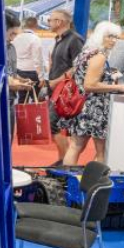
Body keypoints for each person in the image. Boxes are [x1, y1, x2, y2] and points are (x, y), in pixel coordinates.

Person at [63, 21, 124, 165]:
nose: (113, 40)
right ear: (100, 36)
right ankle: (97, 182)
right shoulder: (99, 56)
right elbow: (90, 85)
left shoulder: (85, 53)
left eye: (116, 37)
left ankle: (66, 180)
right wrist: (118, 88)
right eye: (110, 36)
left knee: (75, 146)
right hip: (94, 108)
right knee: (101, 151)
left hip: (81, 106)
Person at [45, 9, 84, 165]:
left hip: (66, 92)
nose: (48, 22)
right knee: (54, 125)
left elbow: (79, 65)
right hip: (57, 90)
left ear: (59, 22)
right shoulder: (59, 39)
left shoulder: (75, 40)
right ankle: (64, 160)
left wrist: (58, 81)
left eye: (50, 20)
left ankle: (64, 161)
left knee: (52, 124)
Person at [11, 17, 44, 85]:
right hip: (32, 73)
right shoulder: (35, 39)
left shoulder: (15, 38)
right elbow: (37, 60)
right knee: (33, 94)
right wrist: (41, 77)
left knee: (20, 95)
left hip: (18, 71)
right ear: (36, 25)